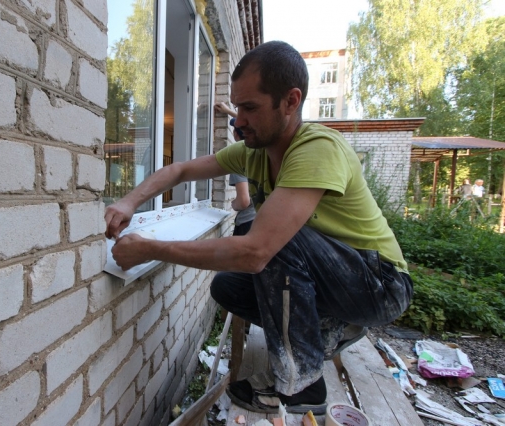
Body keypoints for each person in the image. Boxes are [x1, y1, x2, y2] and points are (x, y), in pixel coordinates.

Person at [105, 41, 413, 415]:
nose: (238, 120)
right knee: (227, 287)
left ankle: (302, 388)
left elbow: (256, 252)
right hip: (335, 279)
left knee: (273, 243)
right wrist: (129, 201)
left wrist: (150, 248)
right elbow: (181, 170)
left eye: (250, 108)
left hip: (379, 284)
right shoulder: (254, 152)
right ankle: (332, 327)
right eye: (236, 107)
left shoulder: (317, 148)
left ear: (290, 101)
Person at [214, 102, 255, 235]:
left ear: (235, 135)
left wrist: (233, 204)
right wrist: (229, 111)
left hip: (247, 223)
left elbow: (243, 201)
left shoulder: (240, 158)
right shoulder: (260, 153)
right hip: (260, 220)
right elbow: (255, 124)